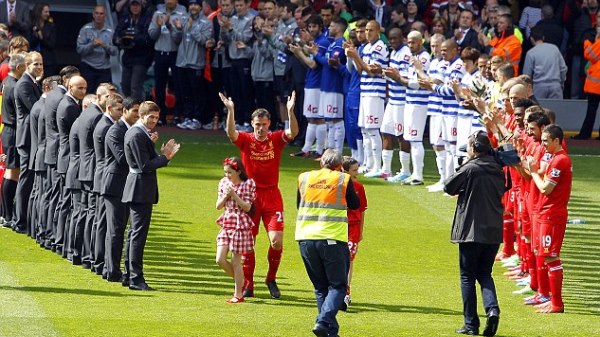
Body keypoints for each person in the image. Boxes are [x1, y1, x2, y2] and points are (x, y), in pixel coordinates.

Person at [220, 90, 298, 299]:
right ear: (252, 124)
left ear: (269, 124)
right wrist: (231, 110)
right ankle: (249, 284)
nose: (261, 128)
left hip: (272, 196)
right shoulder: (246, 140)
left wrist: (290, 112)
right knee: (248, 243)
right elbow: (231, 134)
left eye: (264, 124)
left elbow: (293, 133)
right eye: (257, 125)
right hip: (250, 198)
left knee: (276, 241)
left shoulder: (275, 139)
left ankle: (271, 278)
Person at [444, 131, 504, 337]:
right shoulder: (498, 168)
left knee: (467, 276)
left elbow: (449, 185)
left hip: (471, 229)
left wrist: (464, 164)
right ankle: (492, 309)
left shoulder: (470, 168)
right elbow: (508, 186)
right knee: (485, 273)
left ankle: (471, 323)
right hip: (494, 229)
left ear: (474, 149)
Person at [295, 149, 359, 337]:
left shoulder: (304, 177)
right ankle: (323, 322)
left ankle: (331, 332)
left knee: (320, 287)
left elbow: (300, 205)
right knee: (338, 286)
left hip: (305, 238)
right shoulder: (342, 179)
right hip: (332, 238)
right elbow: (354, 204)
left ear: (321, 163)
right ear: (340, 166)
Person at [121, 100, 181, 290]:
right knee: (138, 234)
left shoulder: (140, 133)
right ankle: (135, 279)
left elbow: (146, 161)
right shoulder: (137, 134)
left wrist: (161, 155)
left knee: (133, 234)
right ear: (141, 115)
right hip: (139, 189)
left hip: (139, 188)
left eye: (156, 117)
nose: (154, 121)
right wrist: (166, 158)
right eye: (150, 117)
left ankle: (129, 275)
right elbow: (144, 165)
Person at [527, 124, 571, 314]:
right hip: (548, 212)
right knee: (547, 255)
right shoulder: (555, 158)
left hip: (552, 215)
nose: (543, 144)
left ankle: (557, 304)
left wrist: (534, 172)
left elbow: (545, 188)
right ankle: (552, 300)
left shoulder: (560, 160)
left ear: (556, 140)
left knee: (551, 256)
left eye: (546, 141)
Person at [102, 97, 141, 283]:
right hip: (115, 185)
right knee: (116, 229)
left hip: (124, 185)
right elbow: (122, 159)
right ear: (124, 111)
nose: (137, 115)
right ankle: (112, 270)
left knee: (120, 228)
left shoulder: (130, 130)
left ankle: (112, 268)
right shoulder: (116, 131)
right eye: (134, 111)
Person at [215, 156, 256, 303]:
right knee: (220, 259)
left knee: (236, 260)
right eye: (225, 172)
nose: (227, 175)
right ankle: (242, 282)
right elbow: (218, 206)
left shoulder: (248, 184)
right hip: (227, 221)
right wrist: (226, 195)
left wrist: (234, 195)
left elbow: (247, 207)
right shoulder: (223, 183)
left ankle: (238, 294)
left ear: (238, 172)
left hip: (240, 223)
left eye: (230, 172)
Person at [0, 53, 26, 231]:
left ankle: (6, 213)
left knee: (11, 172)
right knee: (12, 172)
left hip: (9, 131)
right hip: (12, 131)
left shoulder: (7, 83)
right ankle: (7, 214)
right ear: (19, 68)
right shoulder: (13, 85)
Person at [340, 156, 367, 311]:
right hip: (338, 226)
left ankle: (346, 292)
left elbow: (362, 210)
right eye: (354, 170)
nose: (357, 173)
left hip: (353, 228)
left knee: (348, 258)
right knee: (339, 259)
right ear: (344, 170)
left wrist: (361, 231)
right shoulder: (337, 185)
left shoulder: (359, 186)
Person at [76, 5, 118, 94]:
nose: (99, 16)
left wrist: (104, 45)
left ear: (105, 15)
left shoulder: (111, 31)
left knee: (104, 95)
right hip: (88, 66)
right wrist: (92, 45)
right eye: (97, 13)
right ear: (93, 14)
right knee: (87, 94)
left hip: (104, 68)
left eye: (101, 13)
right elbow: (79, 50)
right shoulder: (85, 29)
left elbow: (115, 51)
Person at [522, 26, 567, 99]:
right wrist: (561, 83)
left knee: (539, 109)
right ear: (543, 38)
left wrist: (528, 92)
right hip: (555, 86)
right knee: (556, 109)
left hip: (539, 87)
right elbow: (563, 69)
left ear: (531, 39)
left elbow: (527, 75)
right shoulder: (554, 48)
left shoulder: (531, 53)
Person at [573, 22, 600, 140]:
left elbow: (590, 55)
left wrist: (588, 42)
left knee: (591, 110)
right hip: (596, 83)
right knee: (591, 110)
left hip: (595, 84)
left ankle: (585, 133)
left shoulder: (595, 40)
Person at [29, 2, 57, 76]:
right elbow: (29, 43)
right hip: (33, 60)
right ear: (39, 12)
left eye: (48, 12)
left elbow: (52, 44)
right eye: (46, 12)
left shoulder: (51, 26)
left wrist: (42, 38)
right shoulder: (31, 25)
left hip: (47, 61)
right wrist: (36, 37)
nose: (48, 14)